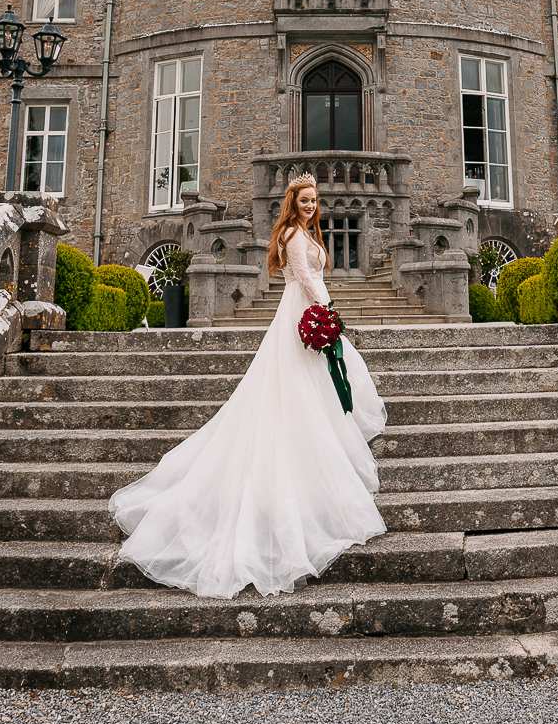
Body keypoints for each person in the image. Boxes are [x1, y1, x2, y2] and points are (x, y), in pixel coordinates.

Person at [108, 172, 388, 597]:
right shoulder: (295, 236)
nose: (311, 206)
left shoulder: (304, 232)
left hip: (301, 308)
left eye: (315, 200)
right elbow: (308, 279)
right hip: (303, 310)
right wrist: (328, 310)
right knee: (301, 385)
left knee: (315, 387)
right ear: (293, 204)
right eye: (305, 200)